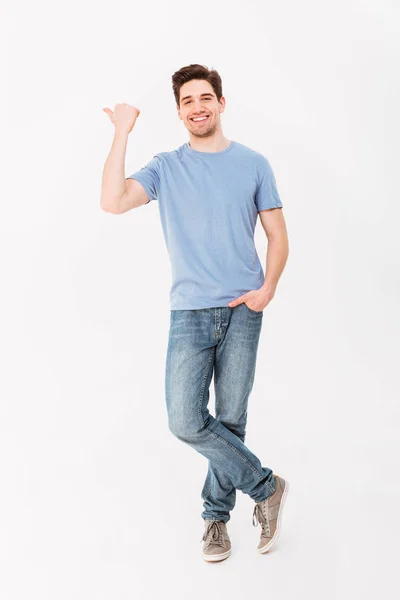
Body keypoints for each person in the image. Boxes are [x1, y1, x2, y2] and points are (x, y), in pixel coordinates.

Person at [101, 64, 290, 562]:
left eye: (206, 97)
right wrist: (122, 131)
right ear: (179, 110)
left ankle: (215, 520)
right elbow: (113, 201)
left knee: (230, 419)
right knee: (186, 420)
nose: (198, 107)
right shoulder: (166, 166)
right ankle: (266, 486)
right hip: (189, 311)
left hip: (243, 309)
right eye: (188, 101)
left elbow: (277, 235)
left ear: (221, 103)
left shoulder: (254, 163)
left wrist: (266, 288)